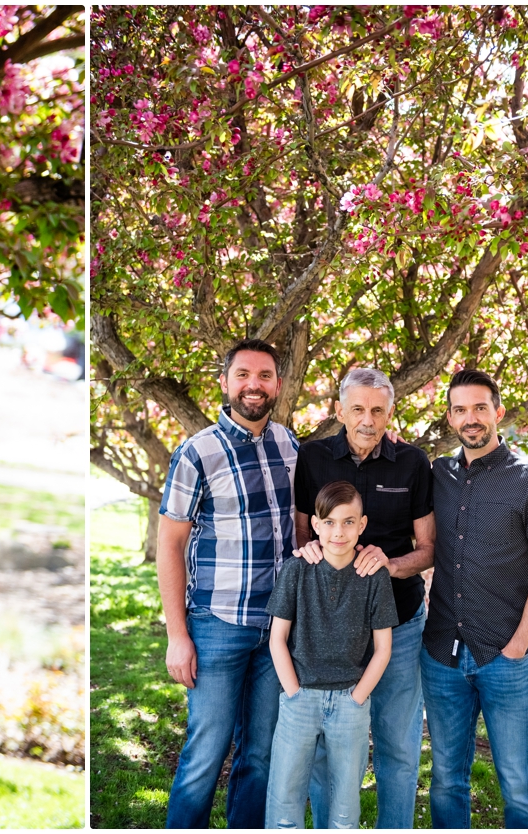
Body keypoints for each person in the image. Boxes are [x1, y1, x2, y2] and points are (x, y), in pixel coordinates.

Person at [157, 337, 300, 829]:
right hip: (218, 626)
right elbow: (169, 545)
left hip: (277, 630)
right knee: (205, 754)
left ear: (278, 384)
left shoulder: (289, 445)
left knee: (260, 756)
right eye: (242, 375)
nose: (253, 385)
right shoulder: (197, 453)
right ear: (224, 382)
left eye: (264, 376)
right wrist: (178, 636)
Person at [289, 367, 435, 828]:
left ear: (391, 413)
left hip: (399, 621)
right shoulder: (312, 458)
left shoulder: (414, 463)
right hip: (326, 626)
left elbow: (429, 549)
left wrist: (388, 565)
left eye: (377, 410)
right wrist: (310, 547)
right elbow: (301, 536)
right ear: (339, 412)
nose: (367, 419)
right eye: (357, 409)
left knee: (397, 742)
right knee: (321, 746)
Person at [422, 369, 528, 829]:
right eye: (460, 409)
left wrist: (517, 648)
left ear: (498, 412)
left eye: (480, 407)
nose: (471, 418)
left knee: (519, 785)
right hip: (442, 655)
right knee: (445, 781)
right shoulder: (436, 474)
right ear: (449, 417)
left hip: (508, 659)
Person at [264, 481, 397, 829]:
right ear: (316, 526)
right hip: (300, 699)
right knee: (284, 798)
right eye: (330, 522)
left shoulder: (374, 576)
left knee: (344, 805)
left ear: (362, 525)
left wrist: (357, 698)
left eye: (349, 522)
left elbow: (383, 649)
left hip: (349, 703)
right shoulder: (297, 570)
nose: (339, 531)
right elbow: (277, 639)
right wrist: (293, 692)